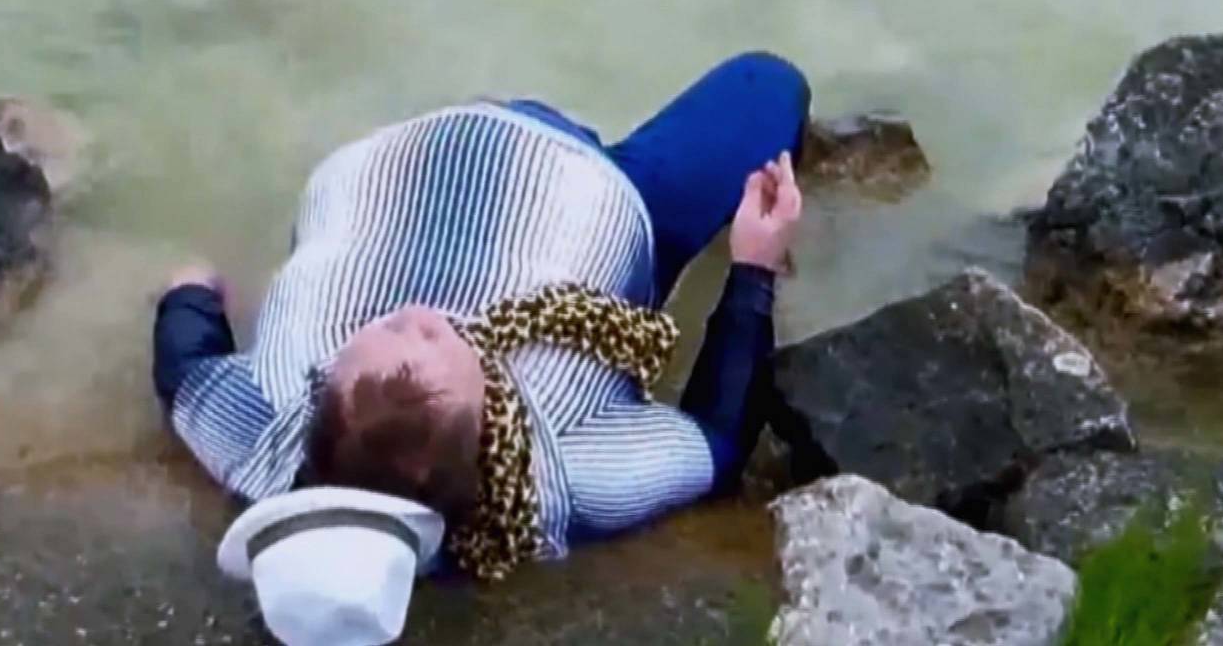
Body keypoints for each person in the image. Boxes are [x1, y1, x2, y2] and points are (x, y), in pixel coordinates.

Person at [153, 52, 809, 580]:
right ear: (487, 432)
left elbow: (185, 366)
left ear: (317, 408)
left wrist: (190, 291)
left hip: (400, 163)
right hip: (574, 176)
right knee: (772, 85)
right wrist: (753, 265)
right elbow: (716, 443)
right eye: (437, 338)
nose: (417, 310)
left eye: (379, 328)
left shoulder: (262, 438)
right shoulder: (563, 481)